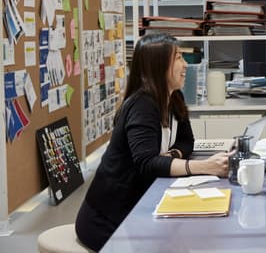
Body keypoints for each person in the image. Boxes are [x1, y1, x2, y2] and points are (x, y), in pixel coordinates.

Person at [75, 33, 229, 251]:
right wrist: (203, 166)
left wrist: (173, 155)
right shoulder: (142, 106)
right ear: (159, 65)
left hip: (140, 205)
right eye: (178, 58)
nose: (185, 65)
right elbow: (147, 164)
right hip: (108, 219)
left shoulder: (175, 97)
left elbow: (187, 141)